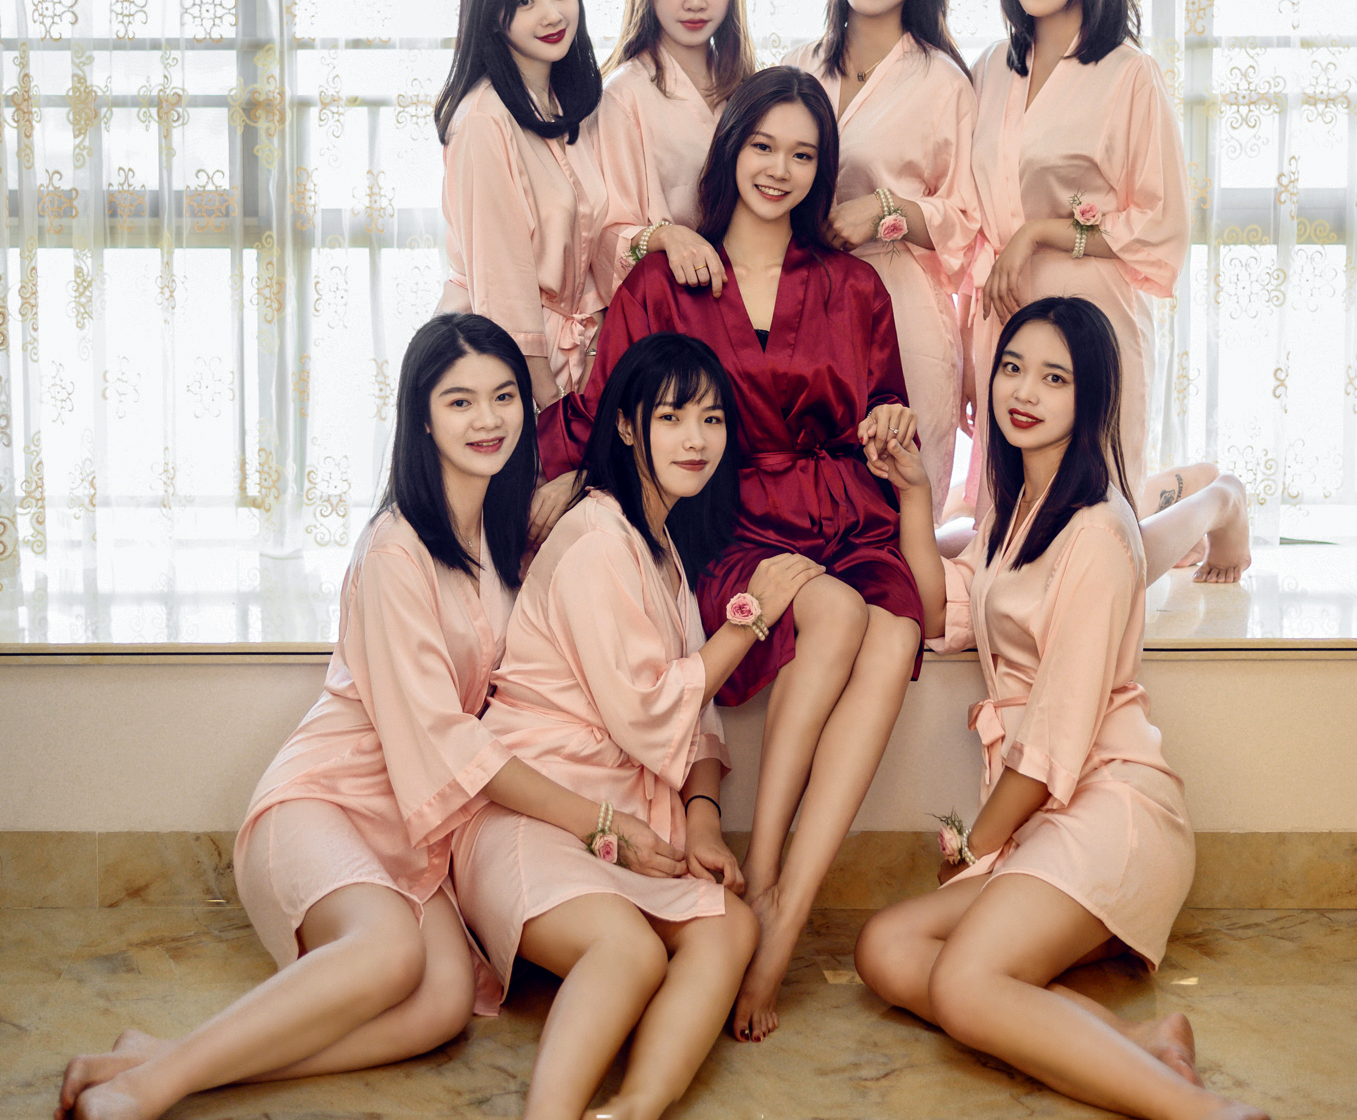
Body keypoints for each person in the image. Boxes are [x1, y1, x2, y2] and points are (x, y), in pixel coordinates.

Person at [55, 314, 680, 1120]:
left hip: (417, 827)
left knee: (441, 1005)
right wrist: (599, 823)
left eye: (503, 397)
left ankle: (162, 1057)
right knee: (387, 955)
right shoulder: (394, 549)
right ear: (421, 418)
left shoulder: (501, 534)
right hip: (327, 801)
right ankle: (149, 1087)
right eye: (459, 402)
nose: (487, 419)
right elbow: (448, 740)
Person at [539, 66, 946, 1042]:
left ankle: (778, 909)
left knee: (894, 632)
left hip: (845, 509)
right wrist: (521, 477)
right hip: (728, 521)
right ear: (730, 152)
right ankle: (762, 875)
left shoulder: (853, 285)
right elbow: (605, 405)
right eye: (763, 146)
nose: (780, 169)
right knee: (833, 613)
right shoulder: (665, 277)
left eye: (803, 154)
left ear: (822, 169)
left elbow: (882, 406)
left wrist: (892, 429)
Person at [855, 297, 1268, 1120]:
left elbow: (1055, 739)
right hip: (1046, 815)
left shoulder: (1100, 532)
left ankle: (1200, 1112)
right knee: (886, 948)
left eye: (1054, 378)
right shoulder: (1014, 511)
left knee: (964, 985)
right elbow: (938, 612)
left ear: (1091, 398)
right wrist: (914, 495)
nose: (1024, 392)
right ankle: (1143, 1041)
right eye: (1012, 368)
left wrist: (975, 845)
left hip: (1109, 808)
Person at [452, 332, 820, 1120]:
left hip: (625, 820)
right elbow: (651, 708)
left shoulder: (657, 548)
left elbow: (698, 718)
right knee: (628, 950)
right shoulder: (596, 540)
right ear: (626, 425)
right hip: (534, 812)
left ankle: (633, 1108)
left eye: (712, 419)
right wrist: (750, 619)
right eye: (672, 417)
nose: (696, 439)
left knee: (728, 929)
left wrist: (703, 819)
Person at [964, 0, 1250, 581]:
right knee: (1002, 545)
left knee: (1096, 557)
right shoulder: (989, 68)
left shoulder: (1129, 75)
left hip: (1091, 317)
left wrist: (1040, 233)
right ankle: (1180, 487)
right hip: (1005, 317)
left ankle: (1220, 500)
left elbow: (1159, 222)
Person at [785, 0, 980, 511]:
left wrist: (884, 211)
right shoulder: (797, 66)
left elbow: (965, 220)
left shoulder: (943, 82)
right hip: (800, 304)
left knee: (897, 504)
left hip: (900, 313)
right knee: (805, 497)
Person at [434, 0, 608, 408]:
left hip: (574, 362)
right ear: (492, 15)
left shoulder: (563, 105)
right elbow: (503, 291)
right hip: (510, 372)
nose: (552, 14)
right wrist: (550, 406)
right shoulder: (483, 121)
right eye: (525, 1)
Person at [594, 0, 755, 296]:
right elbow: (605, 235)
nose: (695, 0)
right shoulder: (624, 95)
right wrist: (666, 236)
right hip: (671, 302)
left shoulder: (750, 86)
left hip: (755, 293)